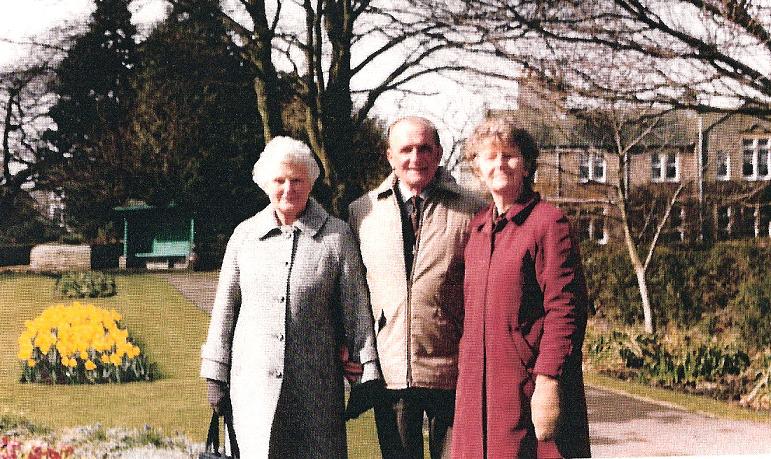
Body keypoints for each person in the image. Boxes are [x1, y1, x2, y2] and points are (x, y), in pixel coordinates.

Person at [200, 136, 379, 458]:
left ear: (310, 182)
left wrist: (366, 372)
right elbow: (224, 310)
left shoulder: (336, 237)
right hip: (252, 386)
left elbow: (356, 309)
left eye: (297, 180)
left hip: (316, 390)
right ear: (265, 184)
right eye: (279, 181)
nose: (288, 189)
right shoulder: (245, 236)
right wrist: (215, 372)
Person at [451, 117, 591, 458]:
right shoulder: (479, 228)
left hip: (527, 385)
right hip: (478, 389)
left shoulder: (548, 224)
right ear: (477, 168)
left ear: (526, 165)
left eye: (510, 155)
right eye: (490, 156)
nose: (500, 163)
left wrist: (548, 380)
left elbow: (566, 310)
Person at [348, 116, 485, 458]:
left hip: (453, 369)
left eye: (424, 148)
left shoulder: (473, 211)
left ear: (438, 153)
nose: (415, 158)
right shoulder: (361, 211)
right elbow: (352, 292)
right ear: (389, 156)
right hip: (391, 369)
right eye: (406, 149)